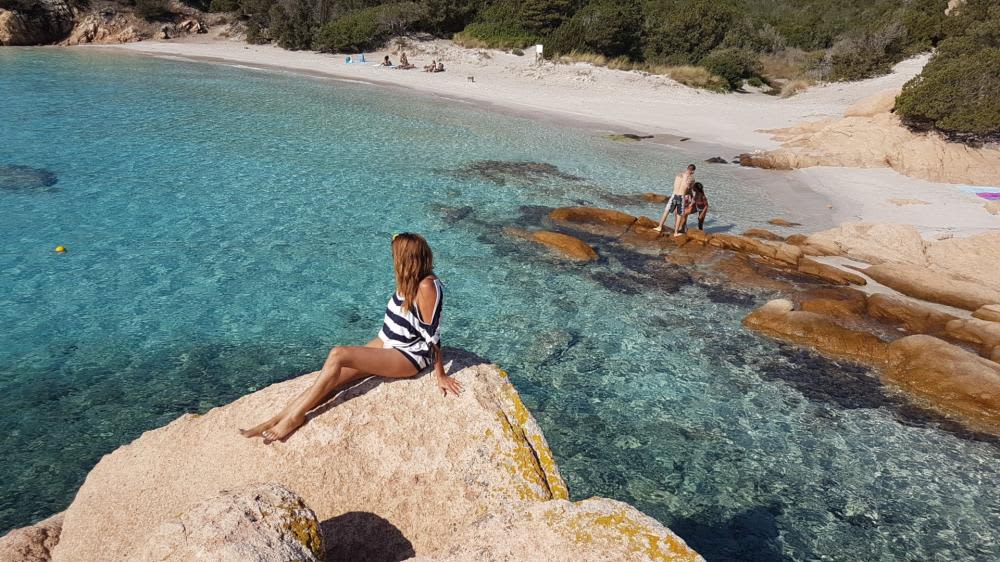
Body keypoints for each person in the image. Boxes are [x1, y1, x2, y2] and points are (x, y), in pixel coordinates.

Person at [241, 233, 461, 443]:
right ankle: (277, 418)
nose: (392, 259)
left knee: (338, 354)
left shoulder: (426, 286)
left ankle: (294, 418)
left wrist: (440, 374)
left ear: (406, 259)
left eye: (395, 255)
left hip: (408, 355)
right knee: (331, 378)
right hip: (388, 342)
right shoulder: (411, 279)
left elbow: (433, 334)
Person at [654, 164, 696, 237]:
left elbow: (675, 185)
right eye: (693, 171)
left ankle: (659, 227)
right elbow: (689, 190)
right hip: (681, 197)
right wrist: (692, 197)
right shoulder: (691, 179)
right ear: (692, 171)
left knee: (666, 211)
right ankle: (676, 232)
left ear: (687, 168)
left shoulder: (678, 175)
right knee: (679, 215)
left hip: (673, 195)